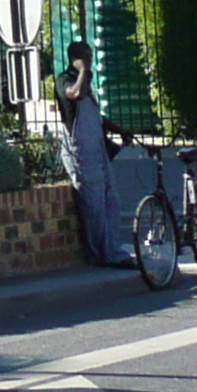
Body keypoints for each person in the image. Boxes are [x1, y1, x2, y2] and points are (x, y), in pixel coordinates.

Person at [54, 41, 125, 266]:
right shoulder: (65, 80)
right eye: (86, 57)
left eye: (90, 56)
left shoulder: (87, 85)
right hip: (81, 154)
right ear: (75, 57)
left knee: (110, 202)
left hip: (98, 151)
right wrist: (82, 71)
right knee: (94, 207)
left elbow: (98, 118)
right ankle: (103, 255)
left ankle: (114, 249)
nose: (90, 61)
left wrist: (119, 131)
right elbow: (74, 94)